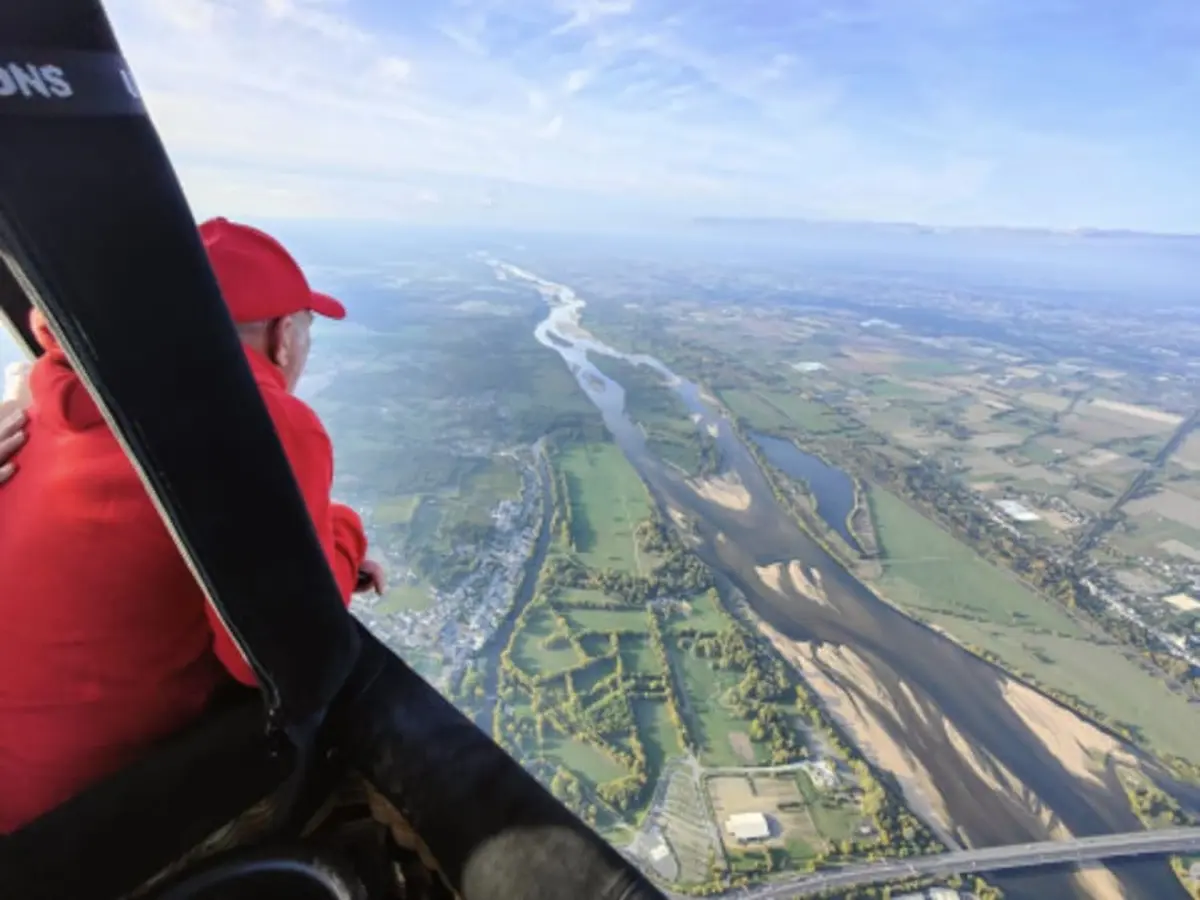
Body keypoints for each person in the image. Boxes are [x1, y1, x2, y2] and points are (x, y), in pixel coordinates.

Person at [0, 217, 384, 834]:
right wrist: (343, 535)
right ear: (285, 337)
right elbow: (270, 657)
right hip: (64, 827)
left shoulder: (50, 398)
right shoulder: (262, 421)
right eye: (307, 332)